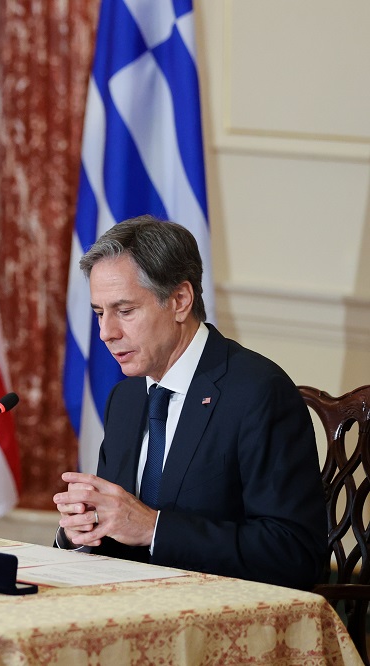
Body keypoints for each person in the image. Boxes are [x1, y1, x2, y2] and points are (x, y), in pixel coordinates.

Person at [54, 215, 326, 590]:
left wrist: (154, 528)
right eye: (100, 313)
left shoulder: (258, 393)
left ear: (180, 300)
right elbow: (121, 530)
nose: (106, 333)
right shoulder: (126, 398)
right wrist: (81, 531)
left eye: (125, 311)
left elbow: (295, 554)